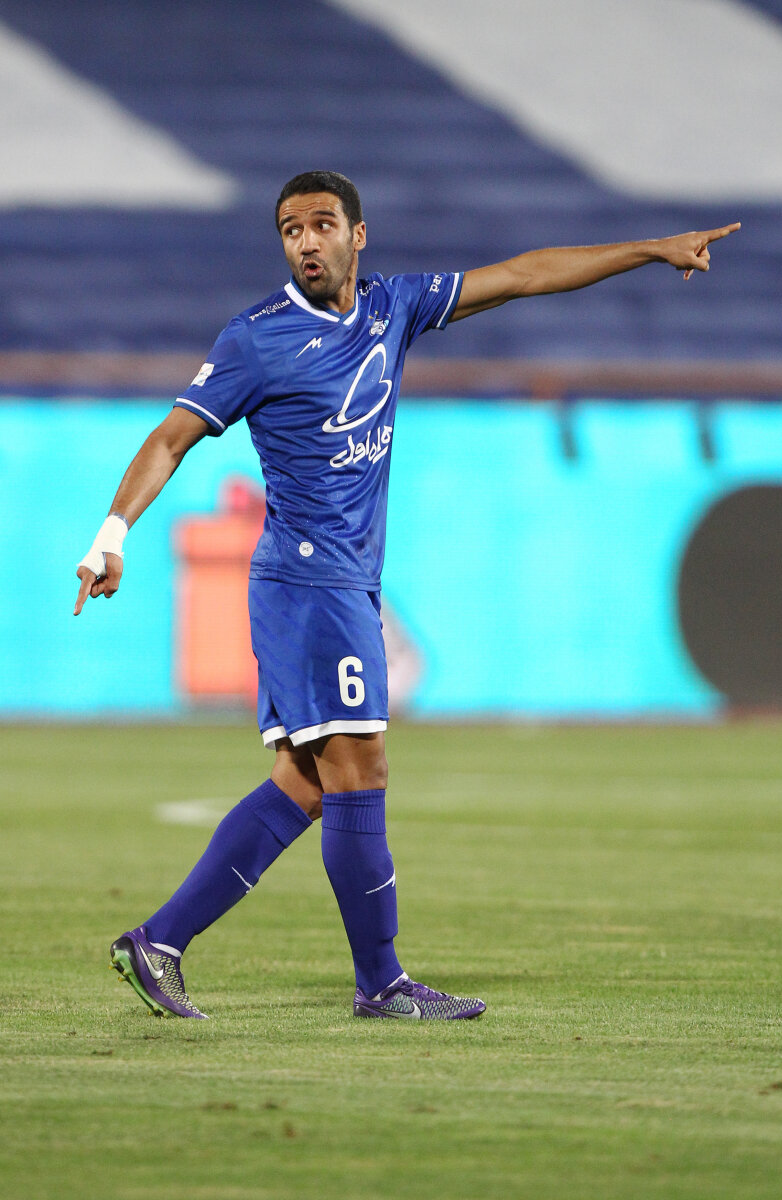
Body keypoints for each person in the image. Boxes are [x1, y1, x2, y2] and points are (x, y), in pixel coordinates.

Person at [74, 170, 739, 1021]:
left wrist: (650, 249)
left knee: (306, 784)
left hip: (344, 581)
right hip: (309, 582)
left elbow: (524, 274)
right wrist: (111, 535)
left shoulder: (395, 307)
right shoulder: (257, 338)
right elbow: (172, 438)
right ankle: (381, 984)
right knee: (363, 767)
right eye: (290, 230)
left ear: (358, 234)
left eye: (322, 224)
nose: (306, 242)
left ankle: (160, 942)